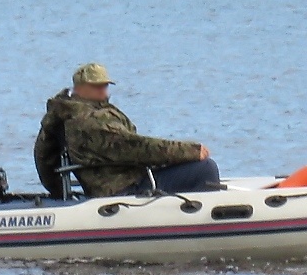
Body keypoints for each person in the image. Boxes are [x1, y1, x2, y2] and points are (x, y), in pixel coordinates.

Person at [33, 63, 220, 198]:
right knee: (204, 168)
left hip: (117, 182)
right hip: (124, 187)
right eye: (97, 86)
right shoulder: (89, 121)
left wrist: (57, 191)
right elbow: (135, 147)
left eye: (105, 85)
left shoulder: (62, 114)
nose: (103, 91)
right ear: (79, 88)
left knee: (185, 168)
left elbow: (44, 156)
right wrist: (190, 151)